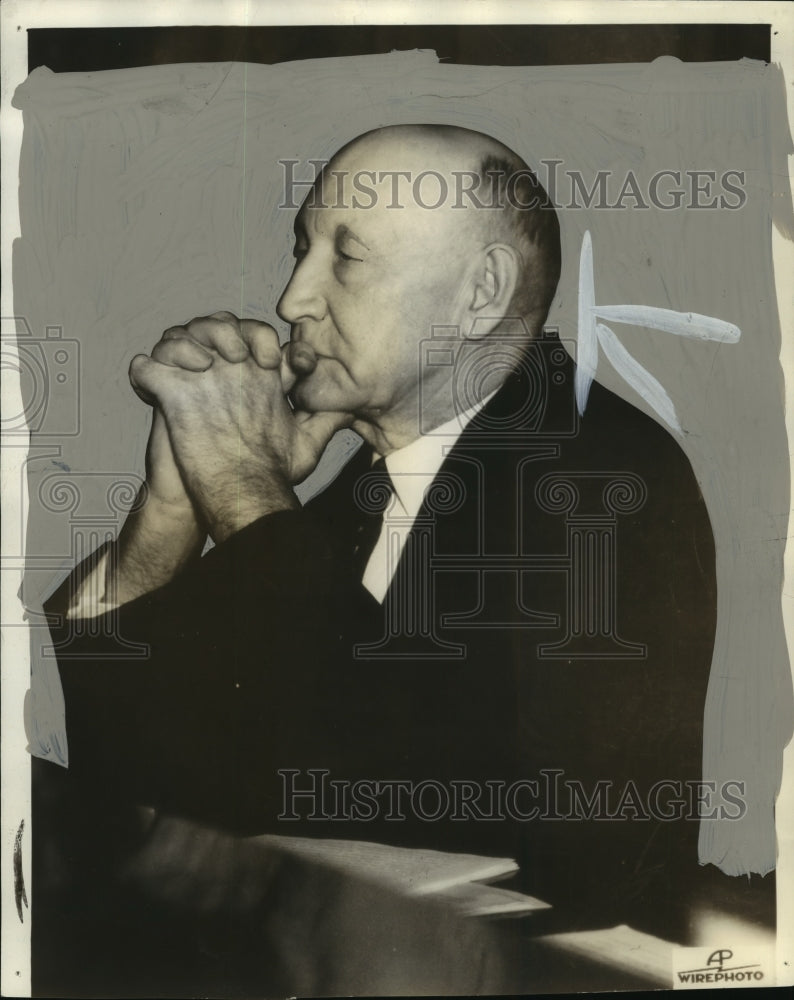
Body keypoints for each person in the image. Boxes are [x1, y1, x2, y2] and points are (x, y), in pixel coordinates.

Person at [40, 124, 717, 931]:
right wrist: (175, 505)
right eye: (302, 249)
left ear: (480, 294)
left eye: (346, 258)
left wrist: (246, 490)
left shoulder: (603, 478)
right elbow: (132, 768)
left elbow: (422, 800)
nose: (293, 297)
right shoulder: (359, 498)